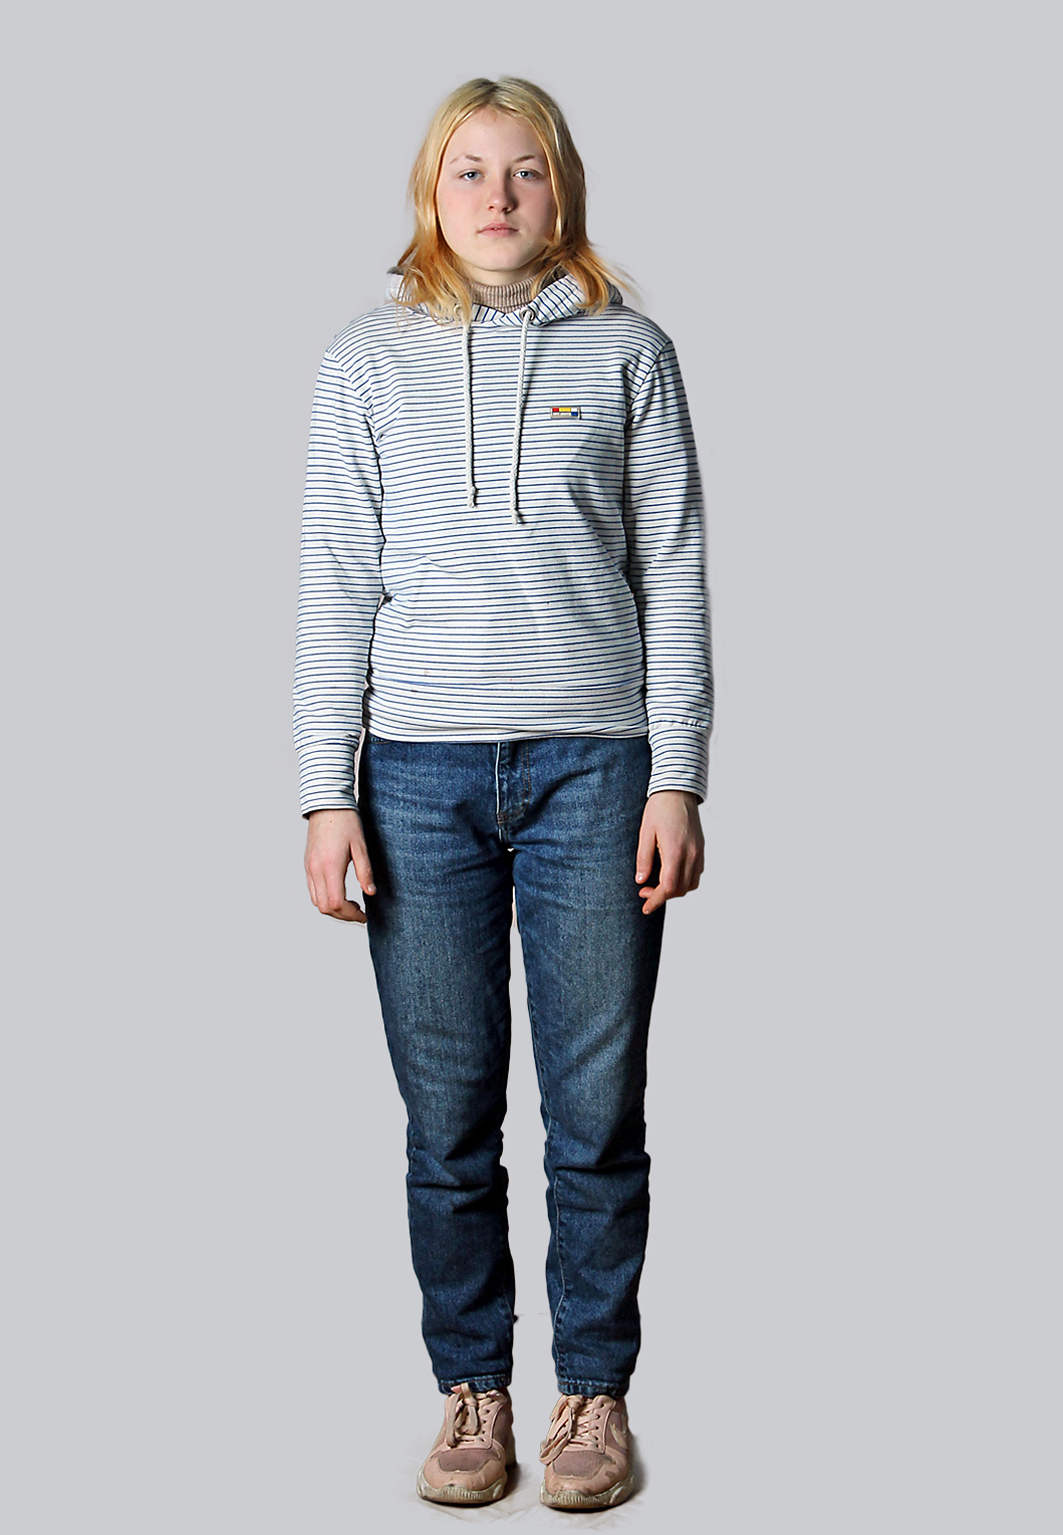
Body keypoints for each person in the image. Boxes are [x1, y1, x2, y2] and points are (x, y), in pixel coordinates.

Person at [293, 75, 713, 1511]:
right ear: (431, 189)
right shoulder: (364, 362)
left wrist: (679, 775)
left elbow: (674, 572)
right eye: (467, 169)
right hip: (414, 778)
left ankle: (593, 1396)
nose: (495, 195)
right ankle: (472, 1391)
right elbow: (335, 582)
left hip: (597, 770)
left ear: (562, 188)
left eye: (523, 169)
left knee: (595, 1116)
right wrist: (325, 794)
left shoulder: (631, 352)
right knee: (448, 1121)